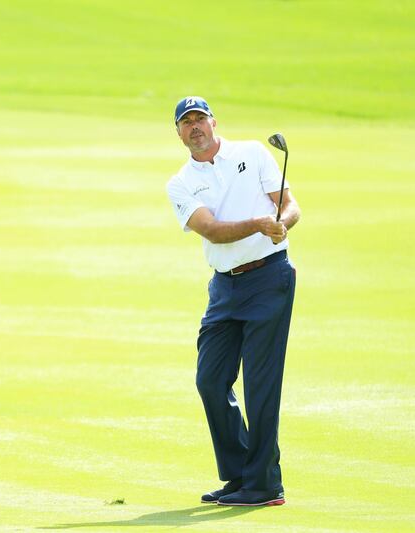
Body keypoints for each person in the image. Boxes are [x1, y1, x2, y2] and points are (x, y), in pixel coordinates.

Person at [166, 97, 300, 506]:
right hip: (224, 287)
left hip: (269, 278)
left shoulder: (252, 153)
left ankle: (264, 485)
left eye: (200, 119)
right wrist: (259, 223)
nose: (195, 127)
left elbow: (289, 205)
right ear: (178, 133)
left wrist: (283, 224)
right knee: (210, 380)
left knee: (261, 384)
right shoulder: (181, 182)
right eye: (186, 122)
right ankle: (242, 473)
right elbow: (212, 230)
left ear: (213, 122)